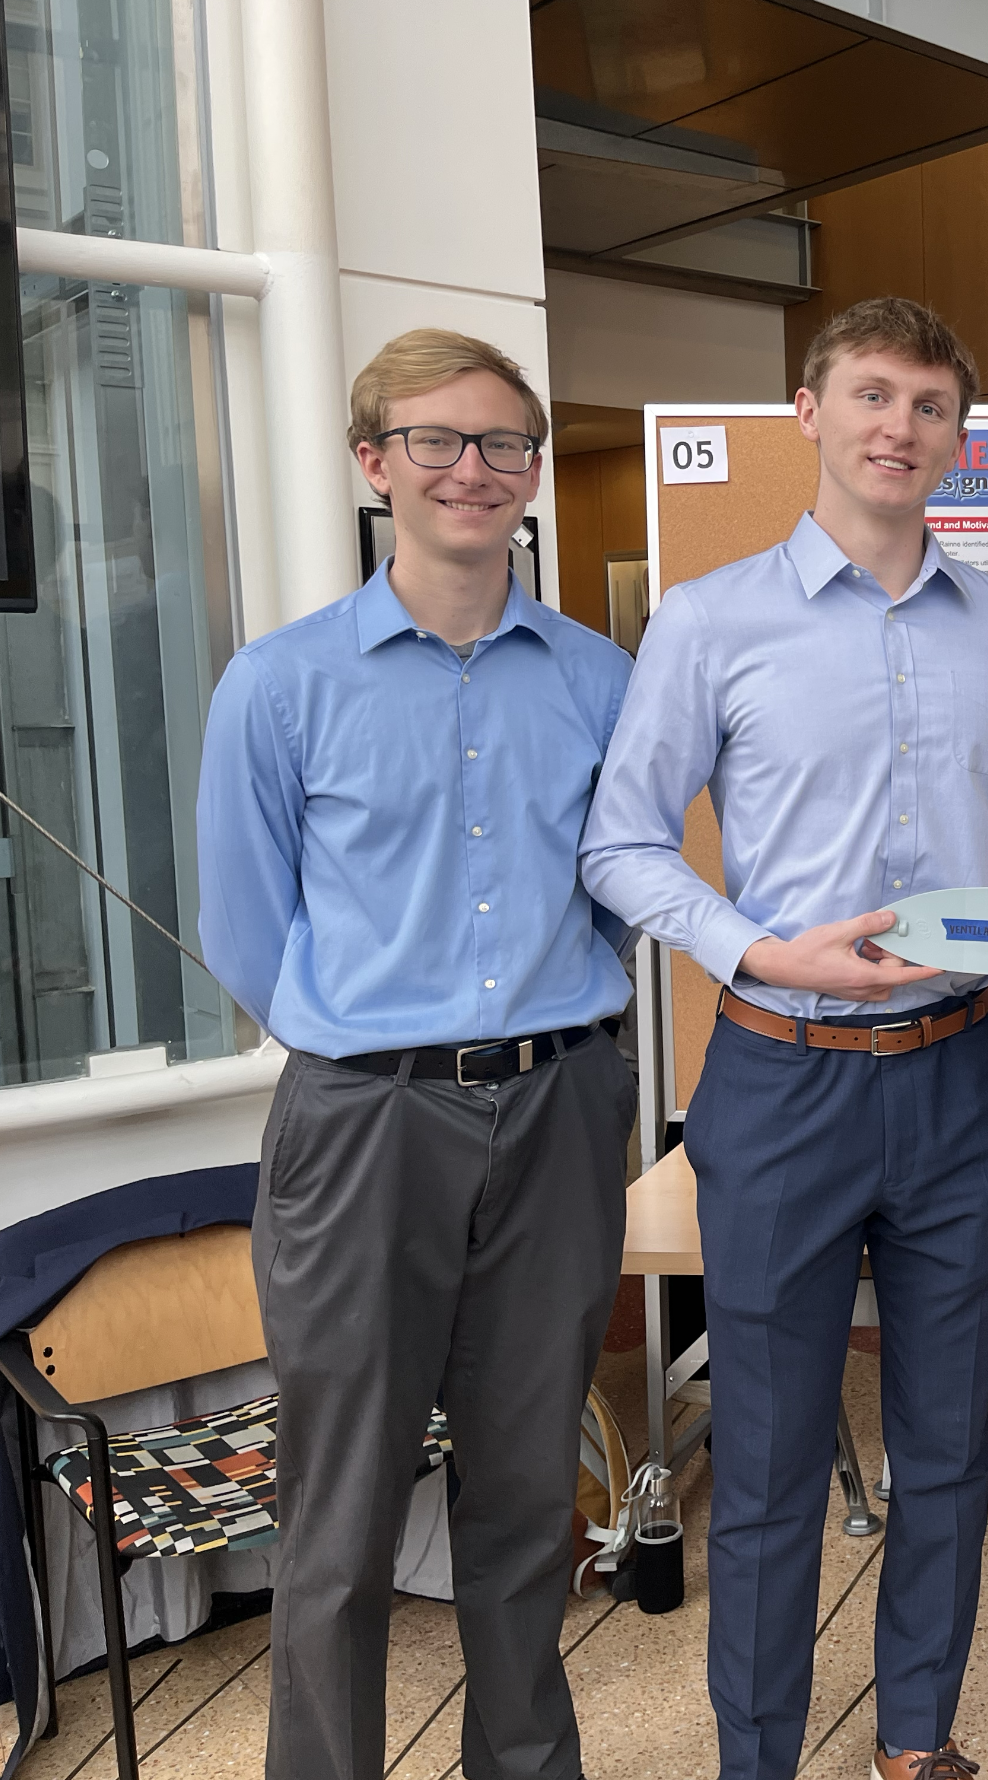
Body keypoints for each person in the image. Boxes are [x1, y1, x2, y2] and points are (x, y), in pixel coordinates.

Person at [578, 298, 988, 1780]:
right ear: (806, 413)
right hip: (779, 1080)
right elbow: (621, 845)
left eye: (929, 406)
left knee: (944, 1441)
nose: (899, 427)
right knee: (759, 1461)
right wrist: (753, 944)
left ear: (962, 439)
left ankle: (913, 1738)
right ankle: (755, 1756)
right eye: (870, 395)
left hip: (962, 1075)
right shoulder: (708, 621)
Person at [196, 331, 637, 1780]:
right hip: (364, 1122)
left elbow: (630, 882)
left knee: (526, 1489)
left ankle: (522, 1764)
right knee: (343, 1507)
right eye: (434, 440)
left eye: (503, 444)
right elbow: (250, 941)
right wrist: (378, 1041)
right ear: (373, 464)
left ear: (530, 477)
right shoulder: (278, 686)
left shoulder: (596, 678)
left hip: (562, 1105)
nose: (472, 468)